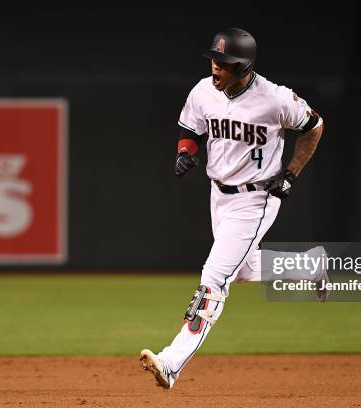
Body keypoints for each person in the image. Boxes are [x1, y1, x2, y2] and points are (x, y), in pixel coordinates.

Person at [140, 27, 327, 389]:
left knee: (214, 278)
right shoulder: (203, 91)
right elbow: (189, 129)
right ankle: (309, 266)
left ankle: (171, 362)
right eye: (214, 59)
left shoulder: (275, 99)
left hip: (256, 199)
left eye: (223, 63)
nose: (215, 67)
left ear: (242, 67)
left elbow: (314, 126)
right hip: (219, 195)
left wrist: (290, 173)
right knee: (242, 271)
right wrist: (185, 153)